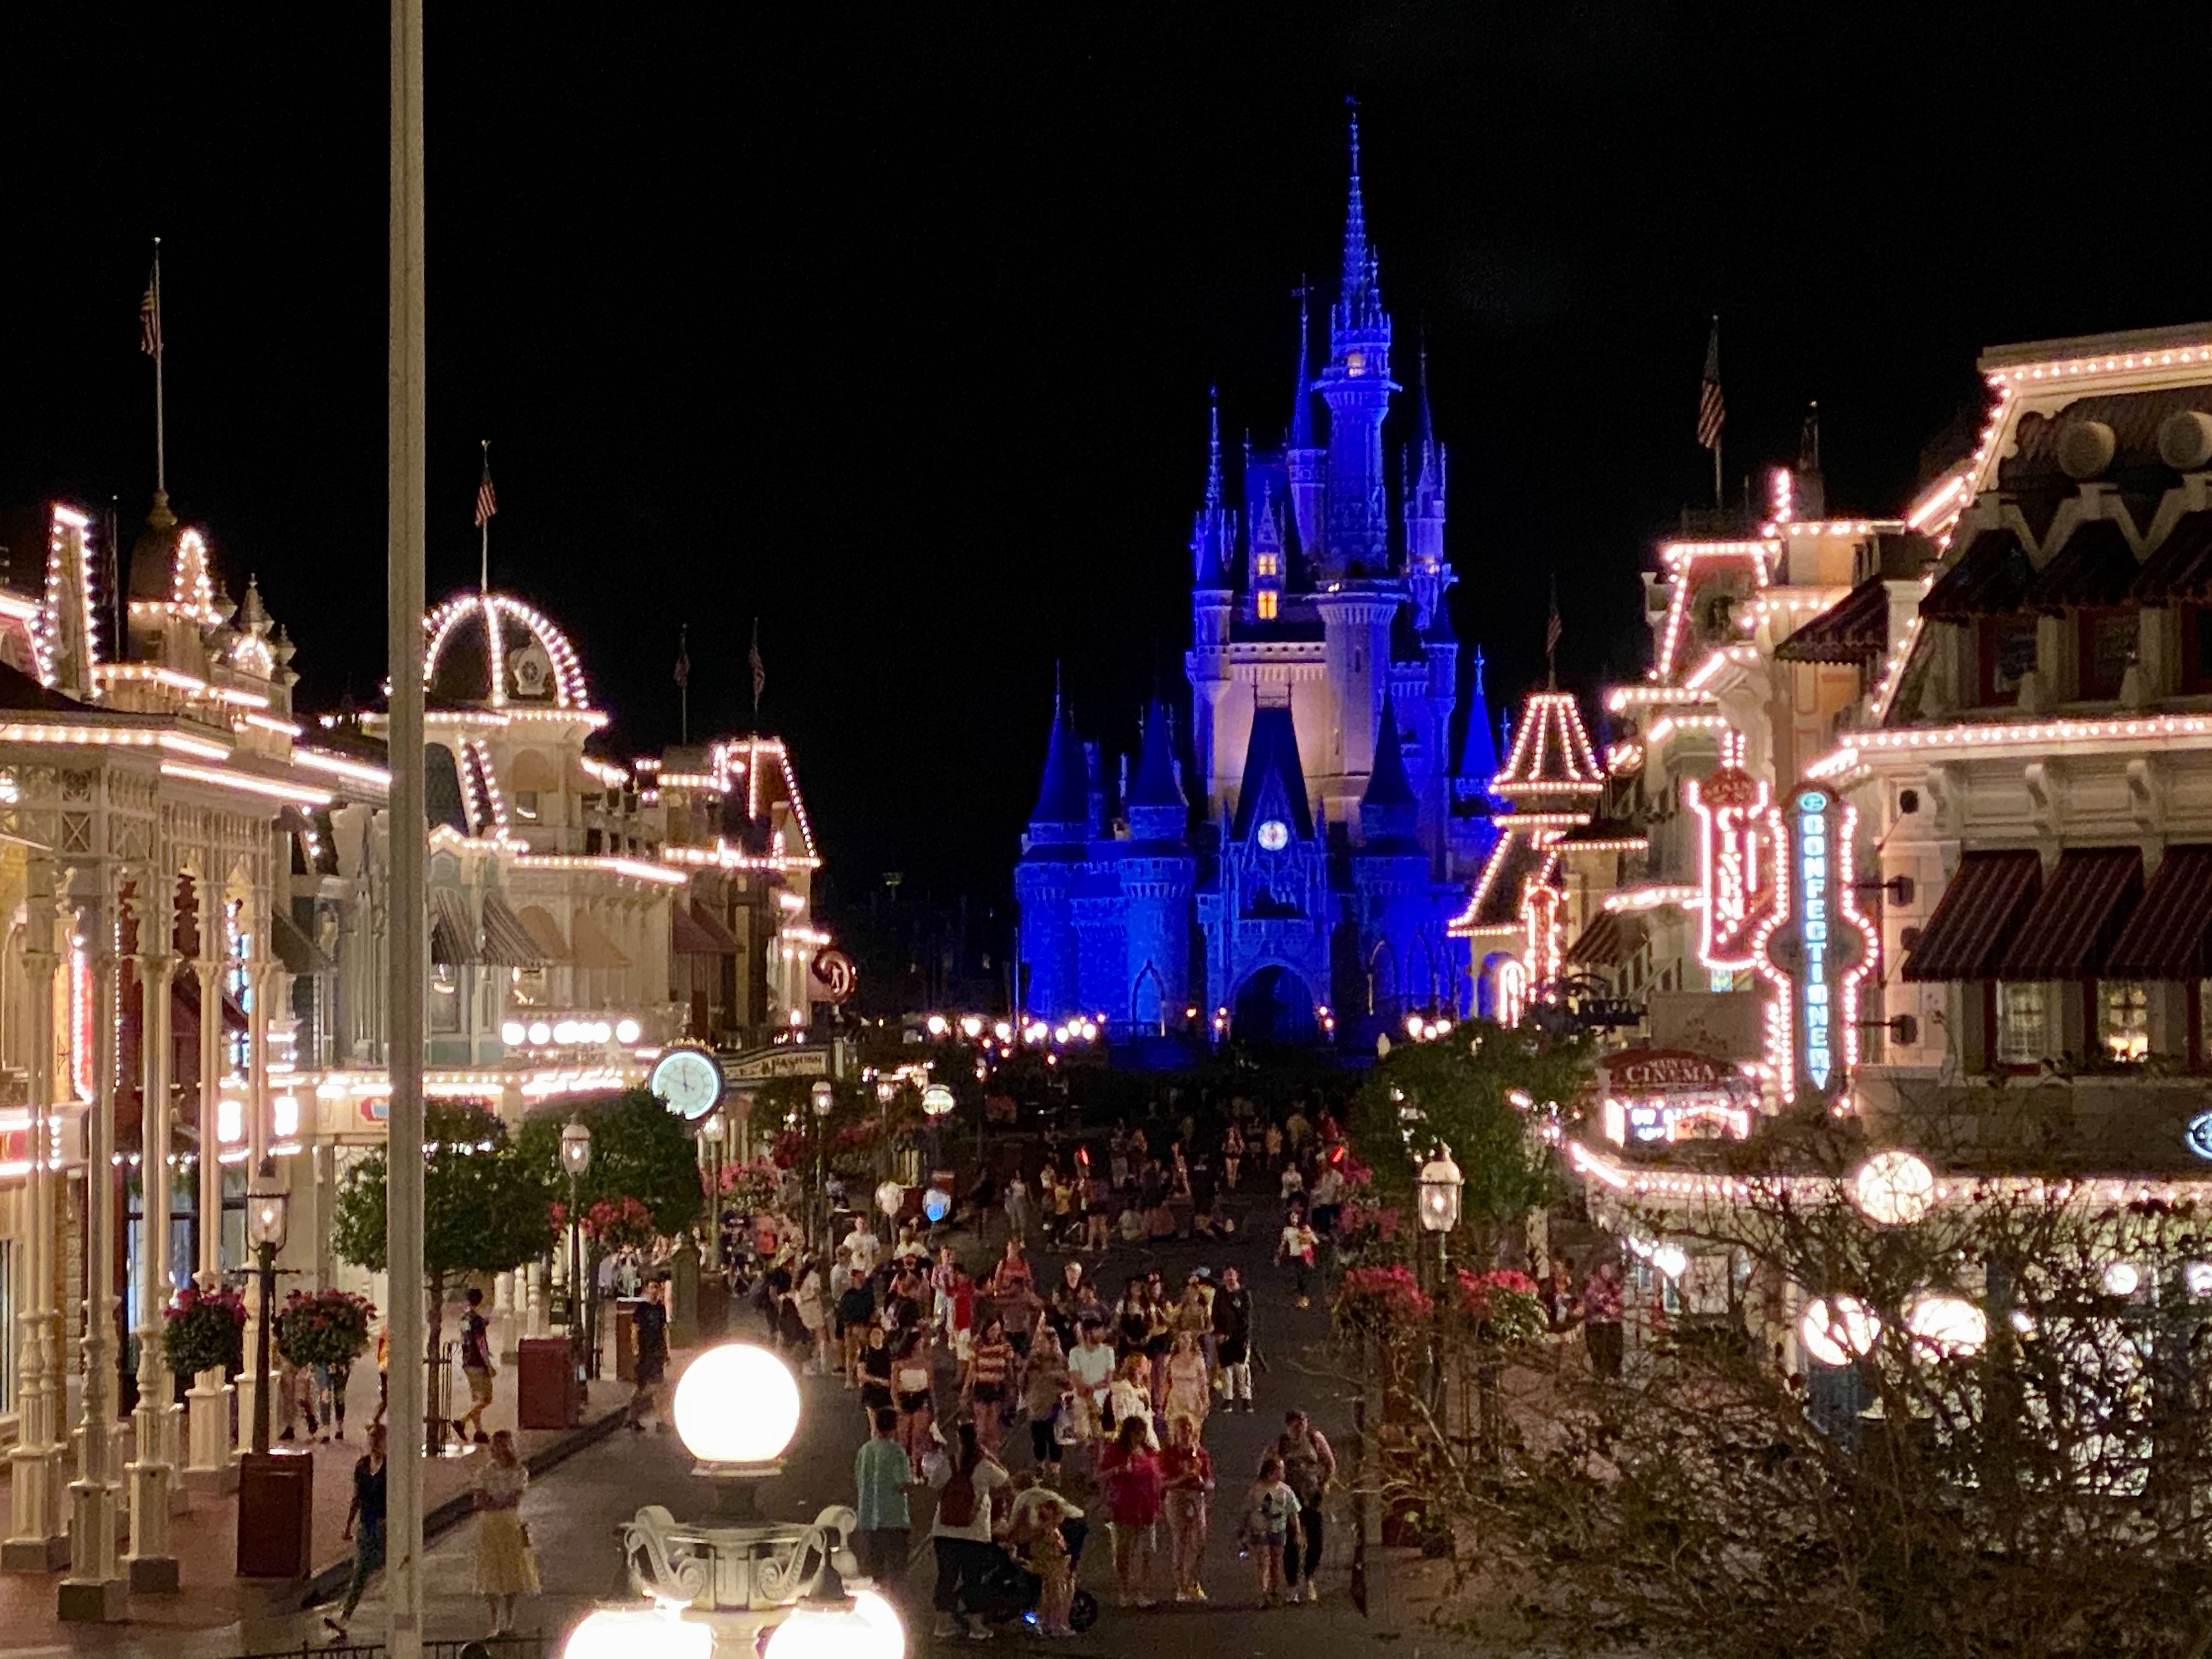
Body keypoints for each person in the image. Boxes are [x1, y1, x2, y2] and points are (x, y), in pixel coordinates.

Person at [927, 1419, 1010, 1641]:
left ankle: (942, 1625)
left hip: (944, 1531)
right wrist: (989, 1456)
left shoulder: (949, 1463)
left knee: (946, 1578)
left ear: (959, 1440)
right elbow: (1006, 1481)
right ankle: (976, 1627)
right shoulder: (984, 1466)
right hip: (974, 1533)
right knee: (974, 1580)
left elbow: (934, 1485)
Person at [471, 1430, 539, 1635]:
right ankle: (494, 1623)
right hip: (490, 1526)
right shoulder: (485, 1472)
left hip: (510, 1525)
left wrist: (495, 1502)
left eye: (502, 1445)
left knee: (512, 1574)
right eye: (496, 1445)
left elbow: (514, 1498)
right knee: (490, 1573)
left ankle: (508, 1622)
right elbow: (480, 1499)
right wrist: (497, 1502)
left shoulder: (519, 1472)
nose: (497, 1449)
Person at [324, 1424, 388, 1637]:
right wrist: (348, 1525)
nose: (374, 1443)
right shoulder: (362, 1466)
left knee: (390, 1571)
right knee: (360, 1571)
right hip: (367, 1525)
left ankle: (397, 1619)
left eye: (378, 1439)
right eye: (371, 1439)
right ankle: (345, 1616)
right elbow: (357, 1497)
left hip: (385, 1527)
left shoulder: (390, 1467)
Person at [1097, 1414, 1164, 1608]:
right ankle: (1125, 1590)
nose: (1139, 1436)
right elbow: (1099, 1474)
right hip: (1124, 1507)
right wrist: (1117, 1470)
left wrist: (1160, 1502)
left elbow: (1157, 1478)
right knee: (1124, 1552)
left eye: (1142, 1432)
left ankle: (1142, 1590)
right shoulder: (1116, 1451)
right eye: (1136, 1432)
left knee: (1147, 1552)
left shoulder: (1150, 1452)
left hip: (1146, 1507)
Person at [853, 1406, 916, 1591]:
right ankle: (896, 1599)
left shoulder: (865, 1450)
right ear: (894, 1427)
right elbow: (901, 1483)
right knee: (897, 1565)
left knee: (874, 1563)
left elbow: (858, 1477)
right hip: (894, 1517)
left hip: (869, 1516)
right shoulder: (897, 1452)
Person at [1278, 1409, 1336, 1604]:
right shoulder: (1282, 1444)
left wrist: (1324, 1483)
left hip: (1312, 1496)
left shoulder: (1315, 1439)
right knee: (1292, 1543)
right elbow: (1267, 1465)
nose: (1300, 1428)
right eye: (1295, 1425)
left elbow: (1330, 1463)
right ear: (1288, 1426)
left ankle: (1309, 1578)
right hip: (1290, 1499)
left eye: (1302, 1423)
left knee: (1316, 1541)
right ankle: (1292, 1585)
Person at [1160, 1414, 1215, 1601]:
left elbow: (1209, 1481)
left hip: (1196, 1496)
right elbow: (1163, 1483)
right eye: (1182, 1430)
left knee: (1199, 1540)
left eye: (1189, 1430)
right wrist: (1184, 1478)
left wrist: (1203, 1483)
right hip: (1177, 1496)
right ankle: (1181, 1585)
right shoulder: (1169, 1453)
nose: (1186, 1434)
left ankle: (1194, 1581)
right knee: (1180, 1540)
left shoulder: (1200, 1454)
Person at [1242, 1453, 1300, 1607]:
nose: (1283, 1473)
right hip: (1260, 1530)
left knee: (1276, 1561)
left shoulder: (1286, 1491)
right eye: (1279, 1470)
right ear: (1270, 1471)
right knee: (1263, 1561)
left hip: (1278, 1530)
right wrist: (1243, 1530)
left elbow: (1293, 1512)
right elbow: (1247, 1510)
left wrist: (1297, 1532)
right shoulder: (1257, 1490)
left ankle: (1274, 1589)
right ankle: (1263, 1593)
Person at [1022, 1323, 1068, 1481]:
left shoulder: (1061, 1362)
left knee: (1055, 1439)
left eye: (1042, 1341)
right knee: (1038, 1439)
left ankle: (1055, 1470)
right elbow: (1023, 1381)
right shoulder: (1032, 1362)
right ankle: (1040, 1466)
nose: (1039, 1345)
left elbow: (1070, 1381)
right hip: (1036, 1405)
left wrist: (1053, 1376)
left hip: (1054, 1405)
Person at [966, 1317, 1015, 1457]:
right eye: (993, 1330)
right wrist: (966, 1389)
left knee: (993, 1428)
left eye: (998, 1330)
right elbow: (972, 1370)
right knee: (981, 1427)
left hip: (997, 1388)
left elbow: (1009, 1370)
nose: (996, 1333)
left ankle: (994, 1458)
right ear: (986, 1331)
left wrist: (1012, 1388)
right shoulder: (978, 1345)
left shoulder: (1004, 1347)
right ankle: (981, 1458)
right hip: (982, 1387)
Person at [454, 1286, 495, 1444]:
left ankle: (479, 1432)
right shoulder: (477, 1322)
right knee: (485, 1398)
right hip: (478, 1363)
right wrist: (489, 1365)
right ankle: (462, 1421)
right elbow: (480, 1344)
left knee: (476, 1397)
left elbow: (467, 1337)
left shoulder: (464, 1319)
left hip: (466, 1361)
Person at [629, 1278, 670, 1431]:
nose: (654, 1291)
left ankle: (661, 1420)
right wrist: (636, 1349)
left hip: (657, 1352)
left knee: (659, 1387)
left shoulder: (660, 1309)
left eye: (657, 1288)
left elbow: (663, 1331)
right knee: (641, 1387)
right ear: (646, 1289)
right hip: (645, 1352)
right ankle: (632, 1417)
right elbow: (634, 1329)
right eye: (652, 1287)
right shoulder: (641, 1309)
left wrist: (666, 1352)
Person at [894, 1330, 936, 1477]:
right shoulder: (899, 1364)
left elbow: (930, 1387)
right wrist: (897, 1405)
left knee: (919, 1436)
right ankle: (902, 1469)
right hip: (905, 1399)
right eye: (919, 1344)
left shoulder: (926, 1364)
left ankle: (917, 1470)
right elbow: (894, 1387)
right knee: (904, 1437)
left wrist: (933, 1407)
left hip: (921, 1399)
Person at [1213, 1266, 1255, 1411]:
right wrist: (1219, 1333)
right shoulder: (1220, 1294)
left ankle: (1246, 1398)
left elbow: (1246, 1320)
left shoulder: (1244, 1295)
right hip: (1224, 1339)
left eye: (1232, 1275)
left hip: (1239, 1339)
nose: (1230, 1279)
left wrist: (1238, 1336)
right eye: (1227, 1276)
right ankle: (1228, 1399)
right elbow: (1216, 1315)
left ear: (1237, 1277)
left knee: (1242, 1369)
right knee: (1226, 1370)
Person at [1161, 1330, 1210, 1438]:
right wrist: (1162, 1400)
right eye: (1182, 1338)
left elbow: (1203, 1382)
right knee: (1174, 1433)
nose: (1185, 1341)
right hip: (1176, 1400)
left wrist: (1205, 1400)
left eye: (1188, 1338)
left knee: (1192, 1434)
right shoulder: (1171, 1359)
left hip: (1192, 1400)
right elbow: (1166, 1381)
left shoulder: (1198, 1360)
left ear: (1192, 1341)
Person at [1581, 1259, 1626, 1378]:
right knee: (1598, 1349)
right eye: (1604, 1270)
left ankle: (1615, 1371)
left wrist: (1614, 1307)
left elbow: (1620, 1300)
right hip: (1596, 1323)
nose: (1607, 1273)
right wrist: (1602, 1306)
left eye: (1608, 1270)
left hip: (1613, 1322)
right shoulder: (1593, 1284)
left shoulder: (1615, 1285)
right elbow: (1589, 1299)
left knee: (1615, 1346)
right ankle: (1599, 1370)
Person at [838, 1259, 877, 1386]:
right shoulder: (848, 1294)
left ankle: (861, 1377)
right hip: (851, 1326)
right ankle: (849, 1378)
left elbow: (871, 1310)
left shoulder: (867, 1293)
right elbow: (843, 1311)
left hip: (863, 1326)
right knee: (851, 1353)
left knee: (863, 1353)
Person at [1107, 1355, 1159, 1452]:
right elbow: (1123, 1416)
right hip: (1131, 1436)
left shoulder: (1143, 1389)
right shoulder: (1123, 1390)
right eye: (1145, 1362)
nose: (1149, 1364)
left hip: (1146, 1435)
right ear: (1137, 1367)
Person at [1278, 1207, 1319, 1309]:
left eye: (1295, 1217)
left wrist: (1309, 1237)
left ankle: (1306, 1297)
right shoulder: (1287, 1230)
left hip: (1305, 1256)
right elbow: (1283, 1244)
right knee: (1298, 1277)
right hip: (1295, 1256)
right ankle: (1301, 1297)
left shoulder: (1305, 1228)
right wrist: (1279, 1255)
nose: (1294, 1219)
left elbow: (1315, 1240)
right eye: (1292, 1217)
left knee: (1306, 1276)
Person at [858, 1322, 895, 1428]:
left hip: (887, 1392)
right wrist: (878, 1381)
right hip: (872, 1392)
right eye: (874, 1334)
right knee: (874, 1424)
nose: (876, 1337)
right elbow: (861, 1374)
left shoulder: (889, 1352)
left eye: (879, 1334)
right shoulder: (865, 1352)